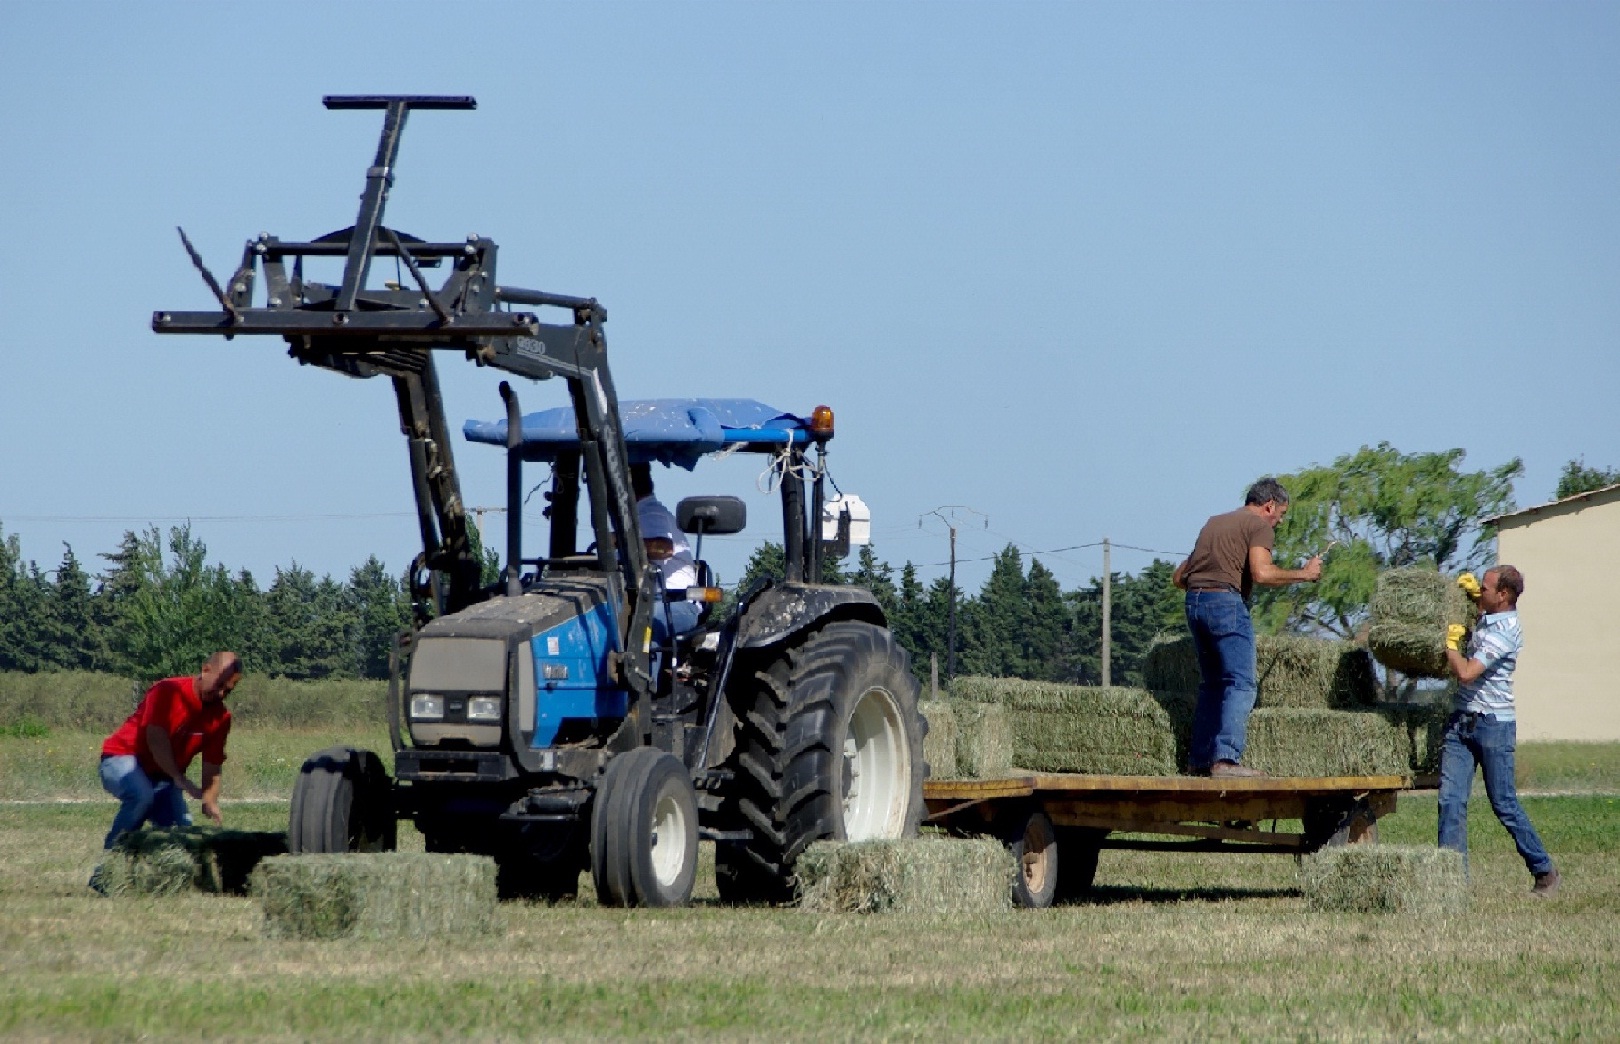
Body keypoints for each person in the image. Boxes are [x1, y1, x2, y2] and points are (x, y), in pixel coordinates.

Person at [1173, 478, 1322, 778]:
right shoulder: (1259, 526)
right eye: (1279, 516)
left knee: (1213, 685)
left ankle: (1199, 761)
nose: (1277, 524)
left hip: (1195, 604)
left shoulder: (1214, 523)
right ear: (1269, 506)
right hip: (1226, 604)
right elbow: (1262, 573)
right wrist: (1305, 575)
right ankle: (1226, 760)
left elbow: (1179, 578)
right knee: (1241, 683)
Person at [1438, 565, 1560, 897]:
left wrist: (1450, 645)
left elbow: (1465, 673)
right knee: (1450, 801)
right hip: (1461, 723)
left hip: (1494, 726)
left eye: (1486, 588)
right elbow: (1481, 616)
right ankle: (1450, 883)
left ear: (1503, 595)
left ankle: (1544, 870)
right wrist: (1471, 599)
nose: (1481, 591)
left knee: (1503, 803)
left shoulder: (1504, 631)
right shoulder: (1490, 617)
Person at [95, 652, 242, 858]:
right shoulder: (168, 690)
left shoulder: (221, 718)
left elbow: (212, 763)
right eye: (218, 685)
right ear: (205, 669)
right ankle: (111, 866)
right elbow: (156, 739)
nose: (220, 694)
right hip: (122, 758)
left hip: (162, 776)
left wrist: (209, 799)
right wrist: (178, 778)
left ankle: (157, 874)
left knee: (183, 835)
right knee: (141, 796)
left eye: (227, 691)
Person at [630, 462, 702, 641]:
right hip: (637, 601)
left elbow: (663, 548)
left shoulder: (651, 513)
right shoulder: (634, 517)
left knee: (647, 624)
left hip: (673, 601)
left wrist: (616, 541)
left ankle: (643, 669)